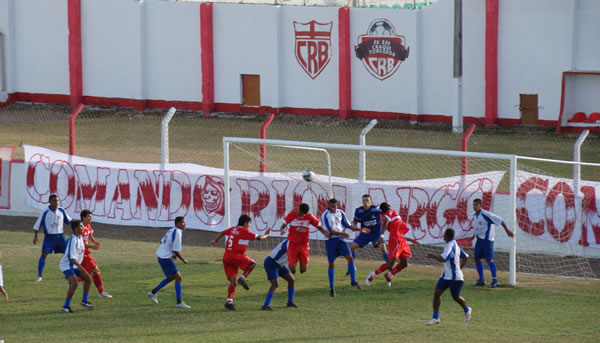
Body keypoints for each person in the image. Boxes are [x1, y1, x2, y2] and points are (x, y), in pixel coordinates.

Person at [211, 214, 270, 310]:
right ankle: (243, 277)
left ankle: (229, 302)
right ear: (246, 223)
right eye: (249, 223)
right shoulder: (244, 231)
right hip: (235, 256)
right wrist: (267, 235)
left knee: (233, 281)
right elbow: (259, 238)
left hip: (226, 257)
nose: (249, 225)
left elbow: (222, 232)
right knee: (252, 263)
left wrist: (215, 241)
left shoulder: (233, 229)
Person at [365, 202, 420, 287]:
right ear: (386, 208)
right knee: (390, 264)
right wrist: (381, 236)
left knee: (404, 263)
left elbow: (398, 229)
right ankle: (372, 275)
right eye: (388, 206)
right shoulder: (390, 212)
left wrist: (411, 239)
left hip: (401, 240)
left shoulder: (392, 217)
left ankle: (389, 275)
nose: (390, 207)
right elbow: (386, 222)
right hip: (395, 240)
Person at [425, 228, 472, 325]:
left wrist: (432, 256)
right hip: (446, 276)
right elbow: (466, 256)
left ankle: (467, 309)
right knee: (437, 293)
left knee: (455, 297)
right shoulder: (455, 245)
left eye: (444, 235)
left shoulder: (450, 246)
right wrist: (459, 267)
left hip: (455, 278)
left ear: (447, 236)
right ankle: (435, 317)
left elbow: (443, 258)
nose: (443, 236)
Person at [321, 198, 366, 297]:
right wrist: (343, 233)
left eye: (335, 206)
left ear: (337, 206)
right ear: (328, 205)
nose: (333, 208)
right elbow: (330, 231)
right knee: (331, 264)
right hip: (331, 241)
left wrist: (361, 229)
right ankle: (332, 287)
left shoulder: (340, 212)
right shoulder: (325, 215)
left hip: (340, 240)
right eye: (332, 206)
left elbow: (348, 225)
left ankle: (353, 281)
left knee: (350, 258)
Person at [147, 216, 191, 309]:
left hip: (162, 256)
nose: (185, 224)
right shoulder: (178, 232)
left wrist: (171, 253)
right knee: (178, 278)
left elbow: (162, 241)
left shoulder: (171, 230)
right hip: (165, 258)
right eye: (183, 223)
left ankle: (153, 292)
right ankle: (179, 302)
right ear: (178, 224)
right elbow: (175, 249)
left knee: (171, 277)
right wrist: (183, 259)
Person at [470, 198, 514, 288]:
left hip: (487, 240)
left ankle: (495, 280)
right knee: (477, 258)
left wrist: (507, 231)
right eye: (473, 205)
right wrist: (473, 236)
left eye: (476, 205)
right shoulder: (474, 215)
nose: (474, 207)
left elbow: (500, 220)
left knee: (489, 260)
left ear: (480, 205)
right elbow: (477, 227)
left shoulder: (486, 214)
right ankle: (481, 279)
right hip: (479, 239)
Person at [280, 203, 329, 274]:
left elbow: (319, 226)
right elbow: (284, 224)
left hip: (304, 244)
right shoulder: (292, 214)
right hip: (292, 244)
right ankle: (292, 265)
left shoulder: (309, 217)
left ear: (304, 213)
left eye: (299, 211)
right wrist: (282, 229)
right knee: (292, 267)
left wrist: (325, 232)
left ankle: (300, 261)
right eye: (298, 209)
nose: (297, 212)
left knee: (303, 270)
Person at [33, 194, 72, 282]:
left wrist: (79, 222)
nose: (56, 202)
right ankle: (39, 275)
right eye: (54, 200)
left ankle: (70, 274)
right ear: (50, 201)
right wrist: (35, 237)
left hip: (60, 237)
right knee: (44, 254)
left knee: (68, 254)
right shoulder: (45, 212)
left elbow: (68, 220)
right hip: (49, 237)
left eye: (57, 200)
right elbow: (38, 224)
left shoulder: (61, 210)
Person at [59, 220, 94, 313]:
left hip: (74, 265)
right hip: (67, 265)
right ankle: (66, 306)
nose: (82, 228)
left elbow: (82, 245)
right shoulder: (73, 239)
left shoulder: (79, 237)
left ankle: (84, 301)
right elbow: (71, 258)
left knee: (89, 278)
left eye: (82, 226)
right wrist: (82, 268)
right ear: (75, 229)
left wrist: (92, 246)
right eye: (80, 226)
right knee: (75, 283)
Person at [349, 194, 387, 274]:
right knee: (352, 247)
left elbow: (386, 213)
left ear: (371, 202)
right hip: (365, 233)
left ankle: (389, 265)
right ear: (362, 202)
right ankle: (352, 266)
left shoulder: (375, 209)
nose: (365, 202)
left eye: (367, 201)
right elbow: (355, 221)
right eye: (364, 200)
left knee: (383, 247)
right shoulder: (359, 210)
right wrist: (354, 225)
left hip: (376, 233)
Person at [80, 210, 112, 298]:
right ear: (83, 217)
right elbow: (79, 243)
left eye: (91, 217)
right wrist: (92, 246)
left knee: (91, 273)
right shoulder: (80, 228)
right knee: (95, 270)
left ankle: (74, 279)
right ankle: (101, 293)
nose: (91, 218)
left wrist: (95, 242)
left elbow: (89, 235)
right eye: (89, 217)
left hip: (85, 253)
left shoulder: (88, 226)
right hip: (81, 254)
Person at [261, 239, 297, 310]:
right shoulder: (289, 242)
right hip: (272, 262)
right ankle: (265, 305)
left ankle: (290, 302)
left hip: (280, 264)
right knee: (275, 284)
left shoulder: (297, 244)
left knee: (291, 280)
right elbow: (287, 252)